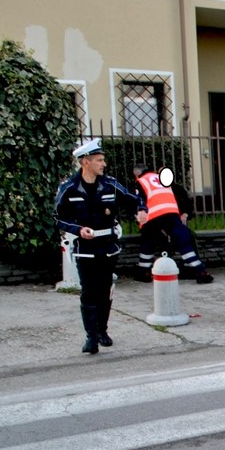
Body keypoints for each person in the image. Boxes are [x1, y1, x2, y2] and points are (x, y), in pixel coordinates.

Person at [55, 138, 143, 354]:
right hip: (85, 249)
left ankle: (102, 331)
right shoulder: (69, 188)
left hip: (108, 247)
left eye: (103, 160)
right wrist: (77, 230)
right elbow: (58, 218)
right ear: (85, 162)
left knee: (105, 292)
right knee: (88, 292)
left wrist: (141, 208)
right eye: (99, 160)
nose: (103, 164)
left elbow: (134, 199)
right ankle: (91, 337)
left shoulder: (110, 184)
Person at [132, 164, 213, 284]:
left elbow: (139, 200)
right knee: (184, 242)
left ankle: (144, 272)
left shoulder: (141, 181)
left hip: (154, 213)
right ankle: (200, 271)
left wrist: (139, 216)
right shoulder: (159, 178)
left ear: (137, 174)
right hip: (172, 212)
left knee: (147, 241)